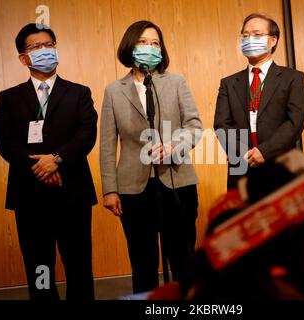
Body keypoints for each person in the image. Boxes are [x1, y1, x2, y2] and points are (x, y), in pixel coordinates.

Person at [0, 23, 98, 300]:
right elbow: (5, 143)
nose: (45, 50)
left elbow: (86, 135)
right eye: (36, 47)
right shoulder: (9, 98)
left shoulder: (79, 93)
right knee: (39, 267)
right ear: (23, 58)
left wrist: (57, 160)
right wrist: (40, 168)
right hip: (30, 197)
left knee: (79, 265)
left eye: (49, 45)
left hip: (73, 194)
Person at [100, 20, 203, 294]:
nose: (150, 48)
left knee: (183, 259)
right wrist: (110, 190)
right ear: (130, 46)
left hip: (177, 181)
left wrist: (172, 145)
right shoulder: (113, 91)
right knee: (143, 263)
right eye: (143, 42)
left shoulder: (176, 81)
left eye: (155, 43)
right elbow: (108, 145)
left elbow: (194, 126)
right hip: (133, 187)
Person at [214, 13, 304, 189]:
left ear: (273, 40)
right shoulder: (228, 83)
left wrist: (264, 152)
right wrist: (244, 155)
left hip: (282, 165)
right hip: (241, 167)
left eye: (256, 35)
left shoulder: (293, 78)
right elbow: (221, 125)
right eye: (245, 35)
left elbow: (295, 123)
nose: (249, 39)